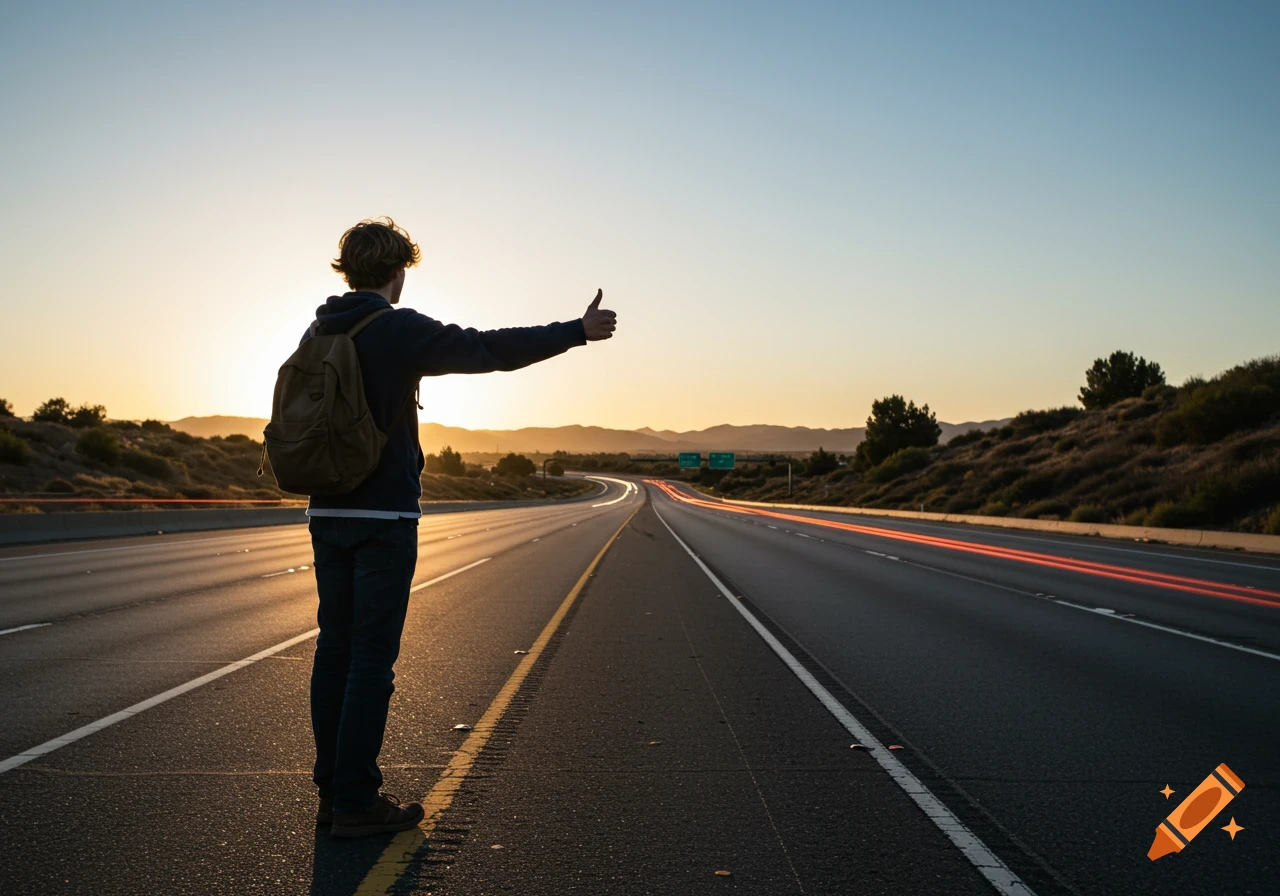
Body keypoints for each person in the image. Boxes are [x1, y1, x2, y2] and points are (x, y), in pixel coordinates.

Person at [305, 217, 616, 837]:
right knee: (370, 659)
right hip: (383, 516)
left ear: (347, 271)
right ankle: (357, 802)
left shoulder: (319, 328)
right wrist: (575, 332)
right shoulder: (394, 327)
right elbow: (488, 349)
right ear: (397, 273)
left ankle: (333, 791)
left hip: (326, 510)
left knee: (333, 651)